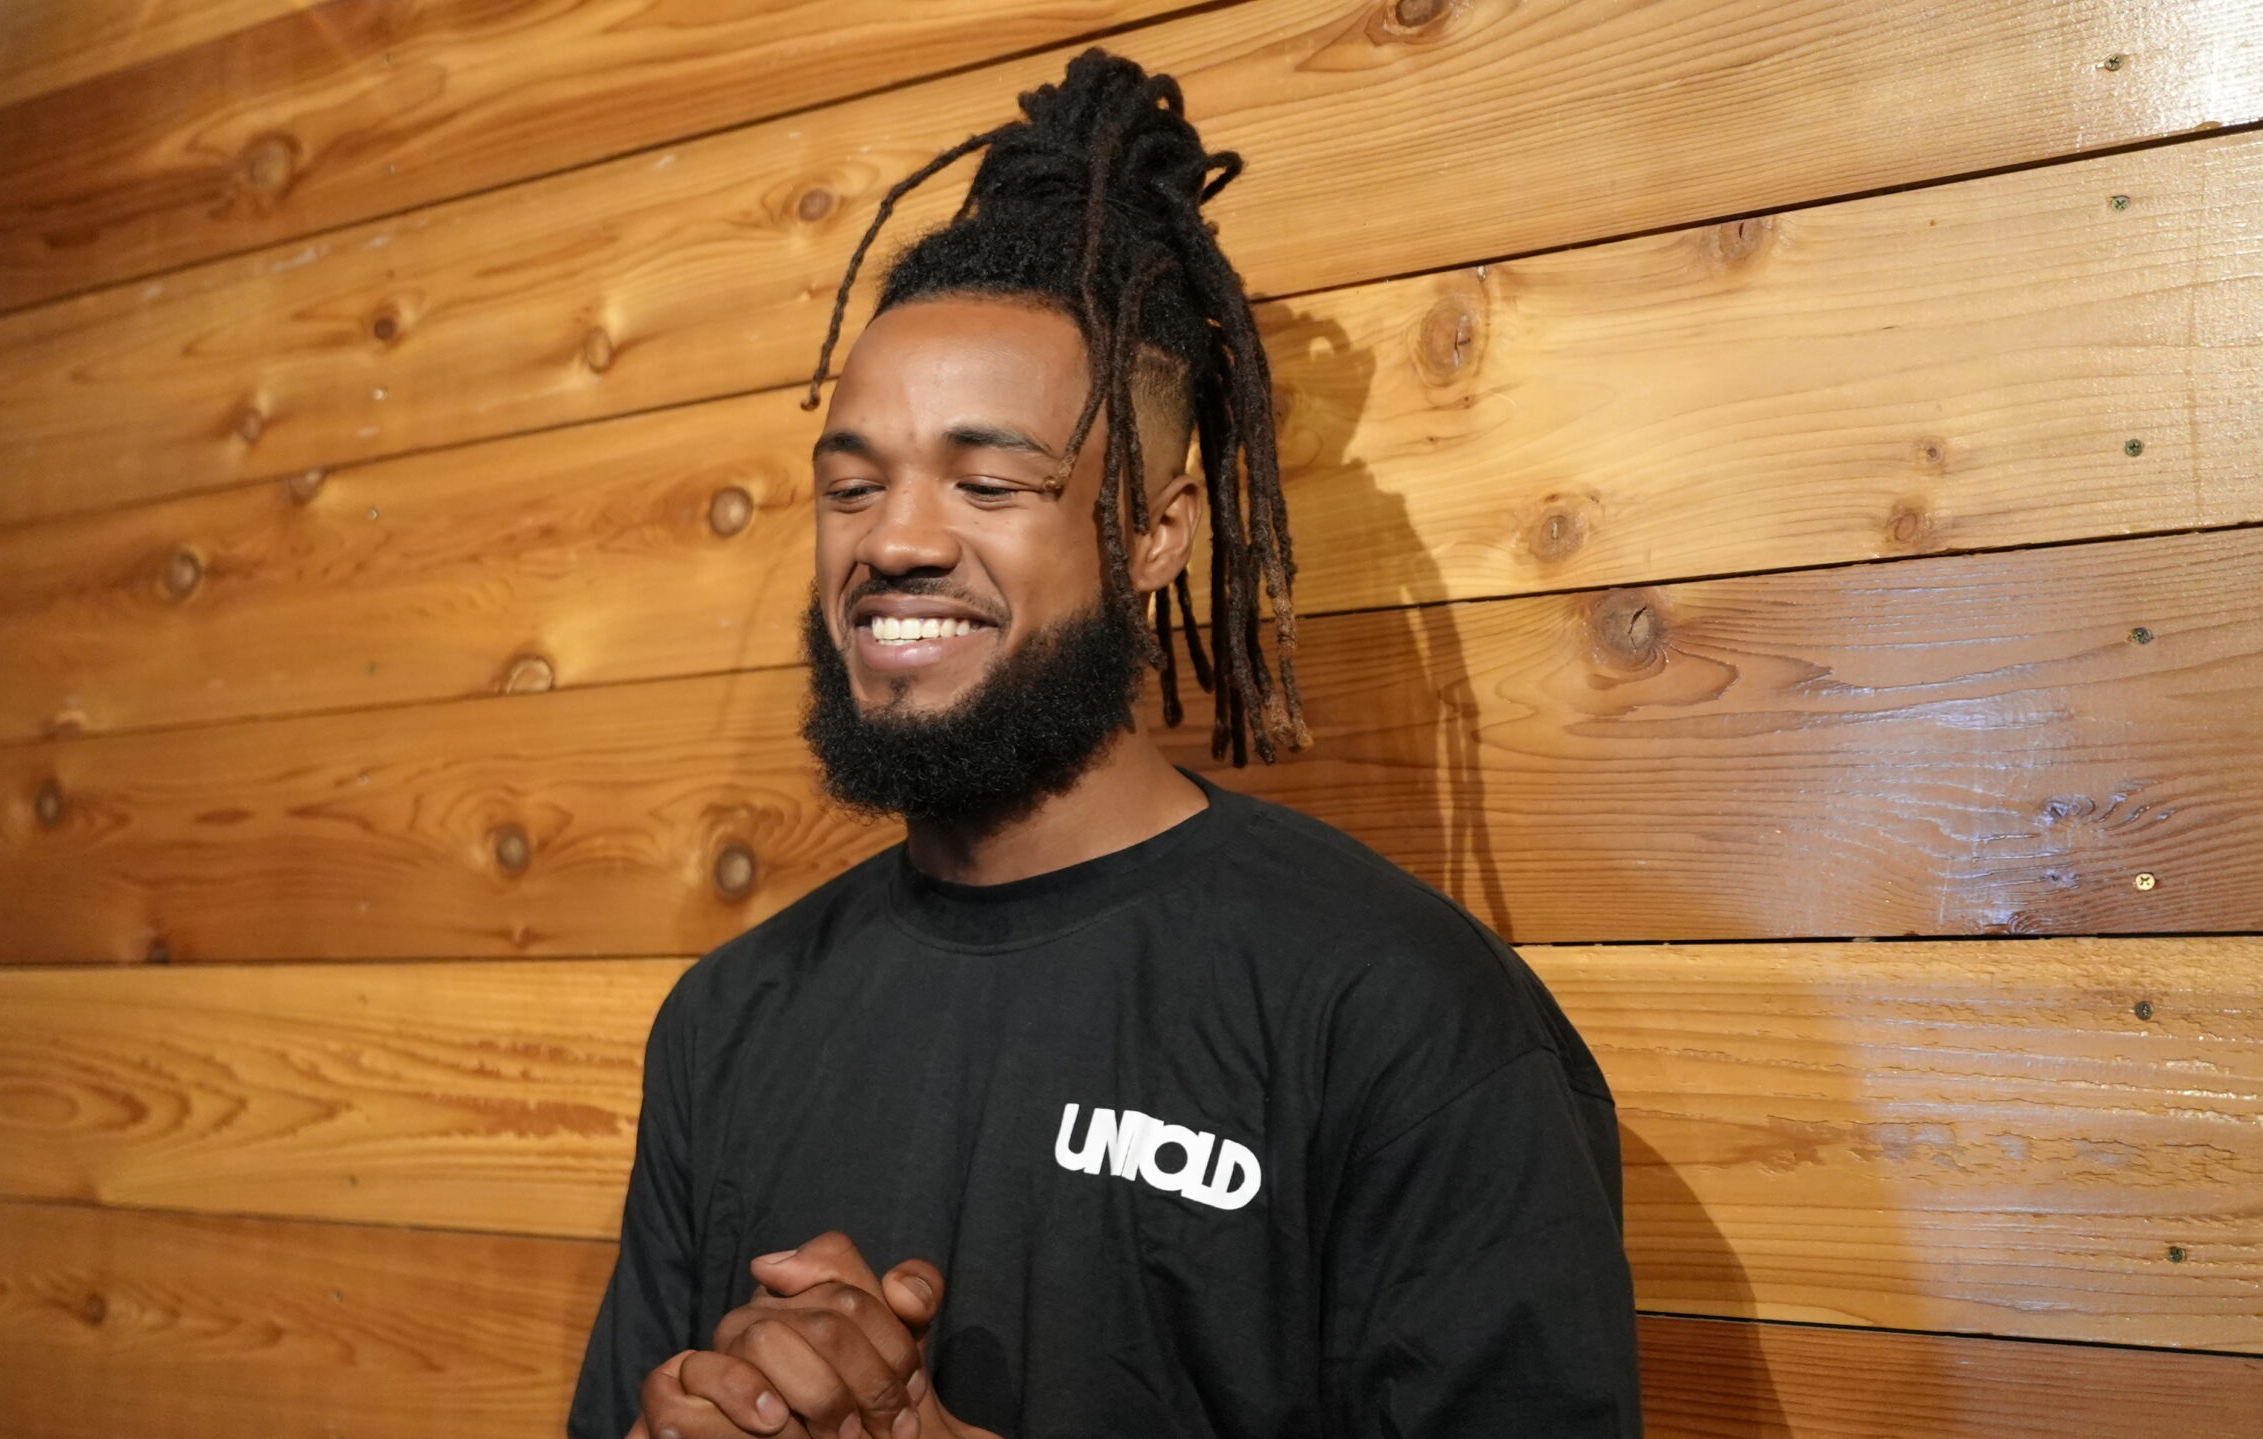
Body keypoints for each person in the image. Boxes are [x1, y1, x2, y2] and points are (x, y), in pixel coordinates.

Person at [567, 47, 1641, 1439]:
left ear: (1153, 531)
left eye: (988, 481)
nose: (894, 541)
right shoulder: (729, 1019)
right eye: (852, 487)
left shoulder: (1399, 1013)